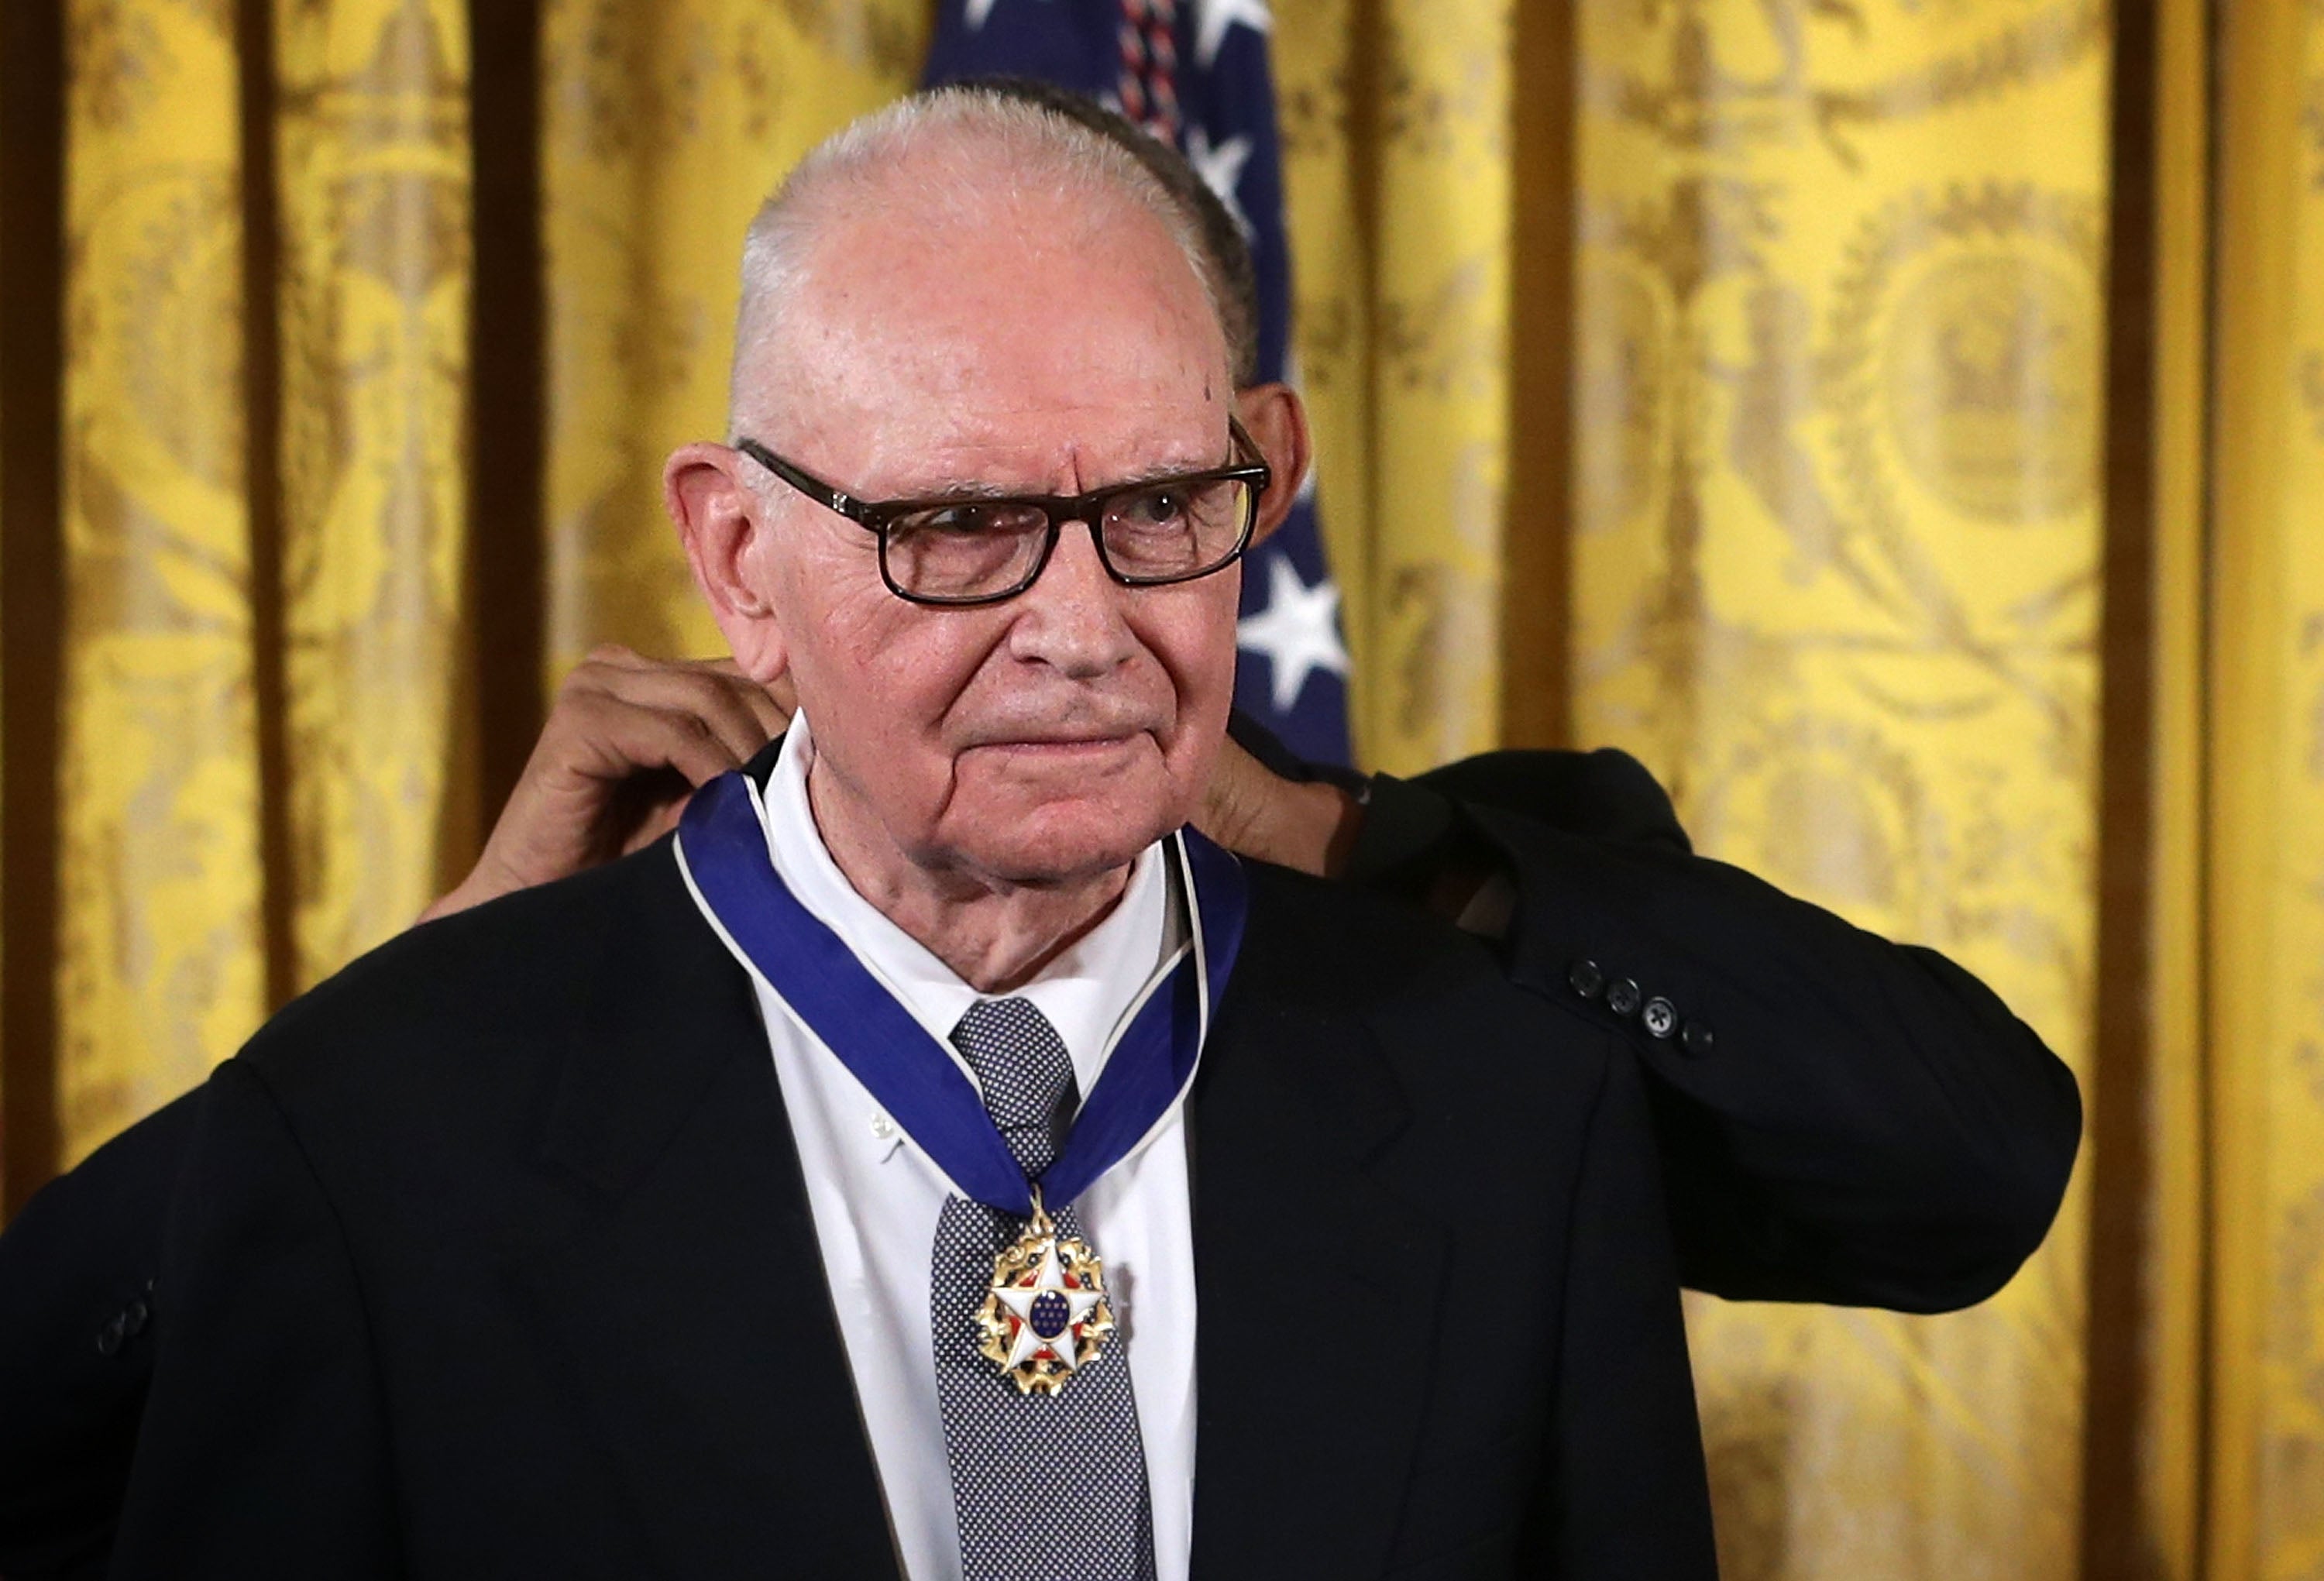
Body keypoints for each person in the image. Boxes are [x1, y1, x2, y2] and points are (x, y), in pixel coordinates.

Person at [0, 86, 2080, 1581]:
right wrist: (376, 1072)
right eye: (956, 526)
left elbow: (1965, 1157)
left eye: (1160, 509)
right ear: (741, 557)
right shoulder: (401, 1118)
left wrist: (1349, 839)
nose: (1081, 630)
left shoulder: (1500, 1090)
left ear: (1260, 474)